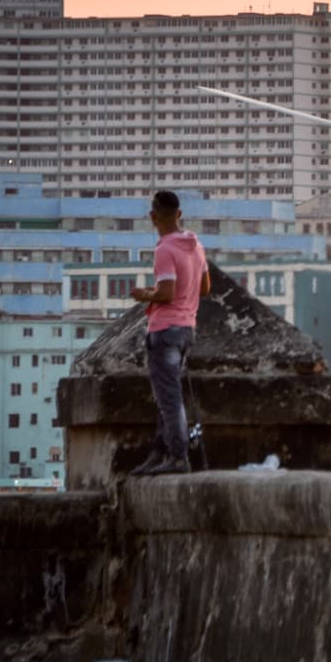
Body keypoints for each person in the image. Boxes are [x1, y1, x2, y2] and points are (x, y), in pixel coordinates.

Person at [130, 190, 210, 475]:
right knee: (167, 396)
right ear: (179, 214)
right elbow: (205, 288)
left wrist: (143, 295)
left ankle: (178, 457)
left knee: (170, 399)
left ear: (153, 216)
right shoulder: (196, 246)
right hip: (188, 329)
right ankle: (160, 452)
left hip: (165, 331)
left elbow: (166, 292)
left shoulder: (165, 249)